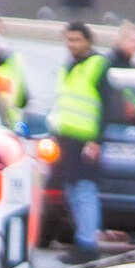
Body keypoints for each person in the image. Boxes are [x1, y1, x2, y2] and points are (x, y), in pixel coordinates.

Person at [49, 19, 112, 253]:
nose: (72, 44)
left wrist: (97, 141)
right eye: (69, 39)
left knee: (85, 192)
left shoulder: (97, 65)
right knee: (72, 191)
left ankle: (87, 246)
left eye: (76, 40)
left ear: (87, 41)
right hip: (66, 140)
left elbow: (107, 107)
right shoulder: (69, 66)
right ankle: (81, 241)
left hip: (86, 142)